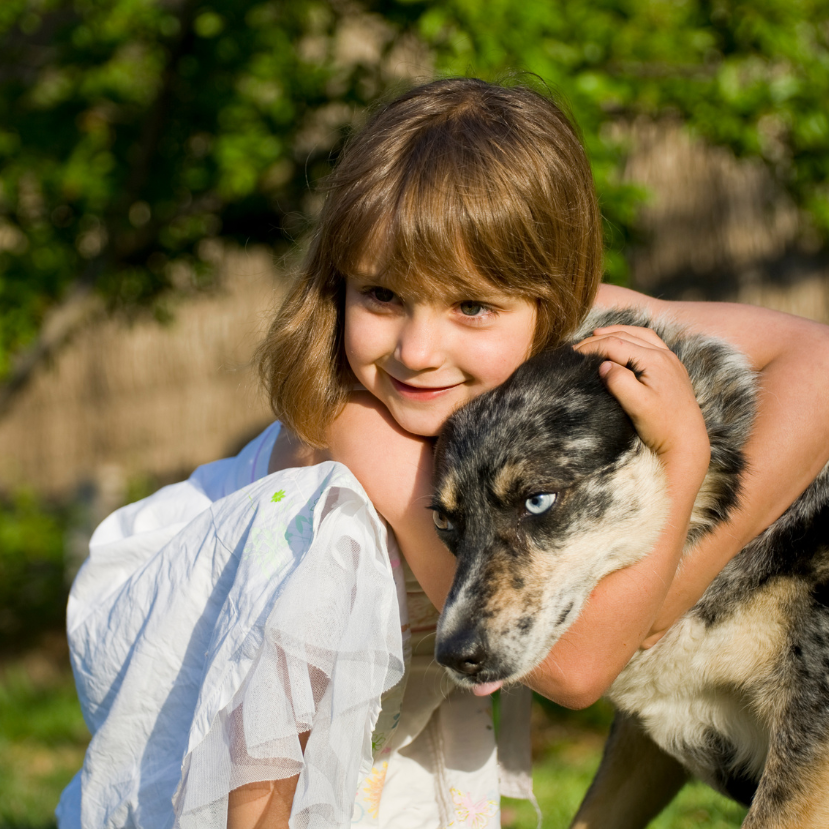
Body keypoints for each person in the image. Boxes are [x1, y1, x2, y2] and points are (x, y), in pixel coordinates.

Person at [59, 77, 829, 829]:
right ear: (338, 282)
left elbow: (818, 358)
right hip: (214, 659)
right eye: (382, 296)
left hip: (379, 689)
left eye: (470, 305)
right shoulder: (362, 421)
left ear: (552, 299)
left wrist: (712, 541)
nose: (419, 350)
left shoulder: (570, 321)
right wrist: (682, 454)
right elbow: (573, 671)